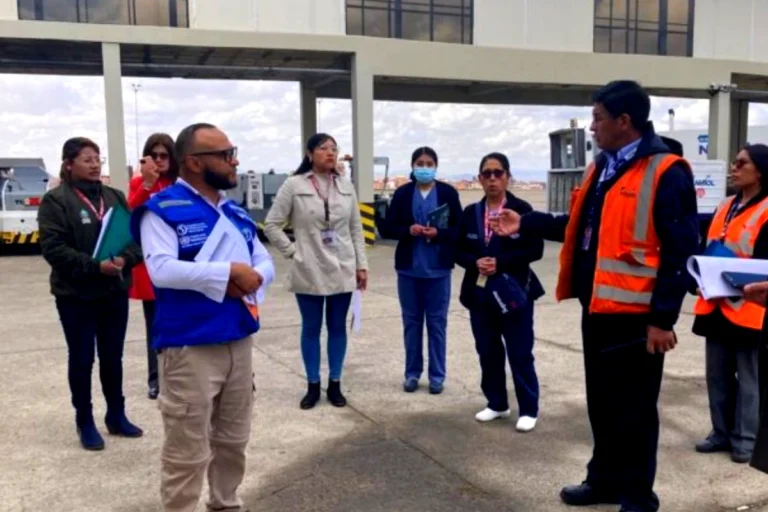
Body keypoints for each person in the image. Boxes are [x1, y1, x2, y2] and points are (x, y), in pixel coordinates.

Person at [491, 81, 699, 512]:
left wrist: (663, 319)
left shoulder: (666, 171)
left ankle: (639, 495)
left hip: (637, 316)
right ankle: (603, 480)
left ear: (625, 121)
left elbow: (681, 249)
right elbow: (580, 226)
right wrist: (526, 223)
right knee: (602, 404)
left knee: (636, 411)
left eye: (598, 118)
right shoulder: (599, 168)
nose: (592, 127)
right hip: (598, 308)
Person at [130, 123, 275, 512]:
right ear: (193, 162)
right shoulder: (161, 210)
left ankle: (226, 503)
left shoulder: (235, 211)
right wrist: (228, 274)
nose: (235, 161)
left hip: (238, 340)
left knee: (233, 441)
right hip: (189, 347)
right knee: (187, 452)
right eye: (226, 154)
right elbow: (161, 269)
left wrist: (252, 277)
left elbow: (261, 257)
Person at [38, 137, 144, 451]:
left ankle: (116, 414)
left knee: (113, 357)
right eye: (87, 159)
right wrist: (95, 267)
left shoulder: (114, 197)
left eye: (97, 158)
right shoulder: (56, 201)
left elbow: (134, 238)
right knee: (82, 358)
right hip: (75, 295)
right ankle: (85, 419)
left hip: (113, 292)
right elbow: (53, 248)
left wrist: (127, 260)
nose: (95, 164)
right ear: (68, 164)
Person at [264, 133, 368, 410]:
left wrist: (361, 265)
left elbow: (356, 229)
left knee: (337, 328)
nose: (331, 153)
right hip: (308, 268)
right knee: (311, 328)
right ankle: (312, 384)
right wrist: (293, 253)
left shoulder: (345, 185)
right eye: (324, 148)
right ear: (310, 154)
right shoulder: (294, 185)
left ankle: (334, 383)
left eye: (334, 149)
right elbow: (272, 224)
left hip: (343, 266)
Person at [454, 152, 544, 432]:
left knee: (520, 351)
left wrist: (501, 262)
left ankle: (528, 408)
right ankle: (497, 403)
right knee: (488, 350)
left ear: (507, 177)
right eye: (487, 174)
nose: (492, 179)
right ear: (479, 179)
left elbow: (535, 250)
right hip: (480, 295)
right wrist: (474, 262)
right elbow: (457, 250)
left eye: (498, 173)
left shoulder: (522, 208)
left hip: (514, 294)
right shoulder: (471, 213)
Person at [692, 144, 768, 464]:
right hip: (716, 303)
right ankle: (721, 432)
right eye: (734, 163)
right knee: (717, 374)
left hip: (751, 308)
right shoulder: (726, 205)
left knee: (750, 380)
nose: (734, 168)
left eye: (742, 164)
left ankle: (746, 440)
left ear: (760, 171)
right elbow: (710, 243)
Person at [378, 147, 462, 394]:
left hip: (438, 271)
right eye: (419, 163)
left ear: (436, 166)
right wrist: (408, 230)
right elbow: (389, 227)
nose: (424, 167)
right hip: (409, 270)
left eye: (428, 163)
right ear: (413, 166)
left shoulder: (447, 193)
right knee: (411, 323)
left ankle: (437, 376)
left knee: (437, 324)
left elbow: (458, 228)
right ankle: (412, 373)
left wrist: (440, 233)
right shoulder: (404, 193)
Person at [127, 133, 179, 400]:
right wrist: (147, 184)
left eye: (164, 155)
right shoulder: (139, 182)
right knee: (154, 325)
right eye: (154, 155)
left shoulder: (180, 185)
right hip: (150, 266)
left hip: (180, 263)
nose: (159, 161)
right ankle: (154, 378)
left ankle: (176, 375)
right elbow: (130, 215)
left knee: (179, 323)